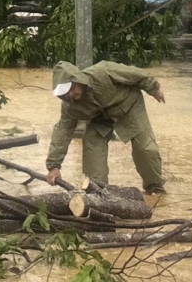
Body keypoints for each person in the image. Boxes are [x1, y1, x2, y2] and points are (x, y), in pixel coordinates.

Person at [45, 60, 168, 205]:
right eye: (65, 94)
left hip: (128, 106)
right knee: (92, 155)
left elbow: (134, 74)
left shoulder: (102, 71)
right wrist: (54, 166)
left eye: (72, 89)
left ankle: (154, 186)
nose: (71, 95)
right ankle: (97, 194)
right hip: (99, 119)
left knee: (145, 148)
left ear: (78, 80)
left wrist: (154, 89)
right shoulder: (69, 106)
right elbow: (63, 132)